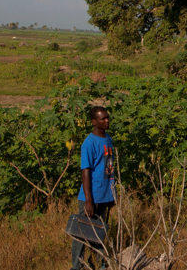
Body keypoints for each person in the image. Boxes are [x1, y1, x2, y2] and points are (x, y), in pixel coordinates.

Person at [70, 105, 116, 270]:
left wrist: (112, 194)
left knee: (99, 234)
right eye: (103, 118)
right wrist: (89, 200)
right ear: (94, 122)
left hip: (105, 195)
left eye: (107, 117)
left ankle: (99, 264)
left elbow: (109, 168)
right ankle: (77, 266)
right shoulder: (89, 143)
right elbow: (86, 171)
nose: (107, 121)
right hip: (91, 197)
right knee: (81, 235)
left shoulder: (108, 139)